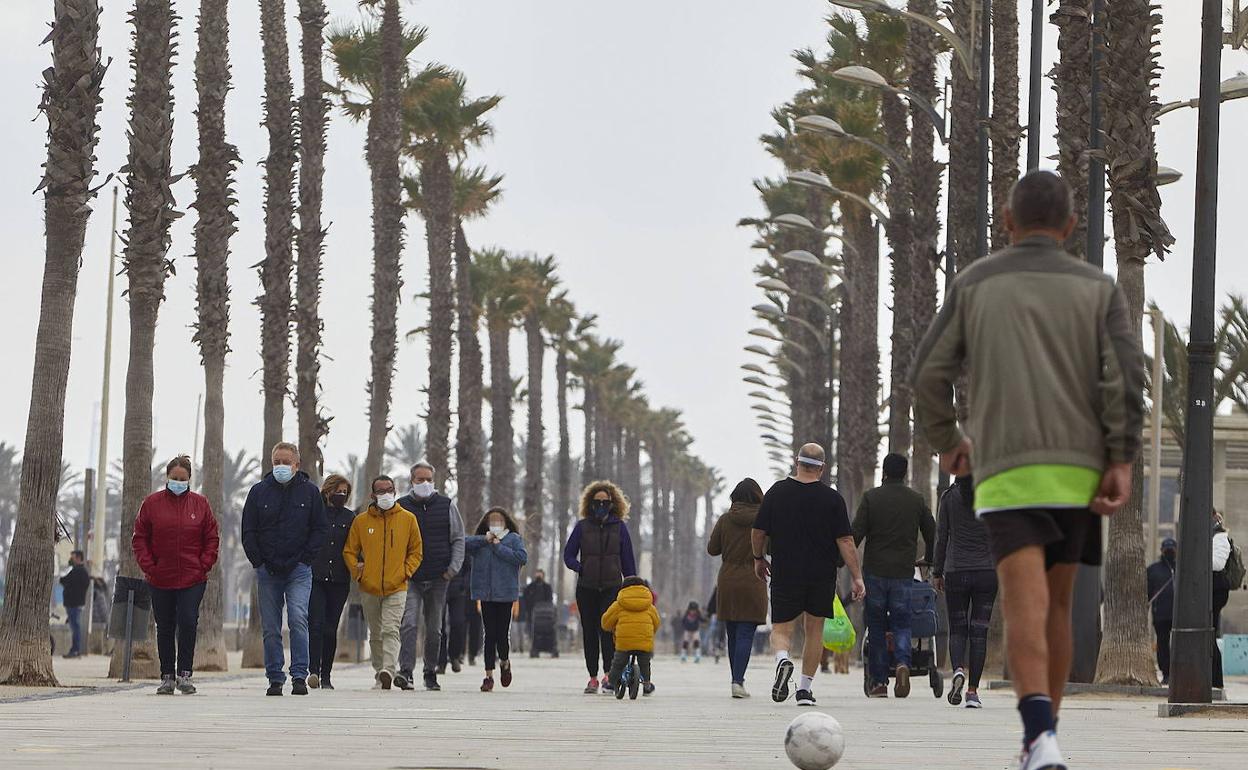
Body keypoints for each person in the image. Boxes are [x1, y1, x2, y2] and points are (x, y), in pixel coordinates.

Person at [912, 170, 1144, 769]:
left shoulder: (975, 284)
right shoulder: (1099, 290)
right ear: (1069, 228)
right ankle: (1045, 736)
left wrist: (949, 440)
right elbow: (1126, 377)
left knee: (1022, 605)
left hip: (1007, 471)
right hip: (1077, 473)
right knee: (1059, 607)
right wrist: (1119, 457)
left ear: (1007, 223)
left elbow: (929, 373)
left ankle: (1039, 738)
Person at [752, 443, 866, 708]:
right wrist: (857, 577)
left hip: (786, 571)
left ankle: (783, 660)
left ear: (797, 462)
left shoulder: (777, 493)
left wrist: (759, 558)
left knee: (782, 629)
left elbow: (758, 531)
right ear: (822, 468)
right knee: (814, 631)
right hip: (821, 574)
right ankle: (804, 690)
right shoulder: (833, 499)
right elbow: (846, 541)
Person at [241, 441, 329, 696]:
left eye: (285, 462)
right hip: (268, 571)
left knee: (298, 619)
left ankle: (299, 675)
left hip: (298, 570)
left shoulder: (310, 493)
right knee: (270, 626)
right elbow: (249, 530)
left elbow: (319, 529)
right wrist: (258, 562)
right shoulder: (258, 492)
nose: (281, 466)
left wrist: (305, 559)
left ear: (296, 464)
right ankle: (275, 678)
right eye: (276, 462)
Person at [132, 455, 220, 695]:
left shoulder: (201, 505)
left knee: (188, 621)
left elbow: (211, 537)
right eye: (174, 478)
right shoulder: (151, 504)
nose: (179, 482)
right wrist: (150, 566)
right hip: (160, 577)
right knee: (165, 626)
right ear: (167, 478)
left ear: (190, 479)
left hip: (193, 578)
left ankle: (185, 674)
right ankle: (167, 676)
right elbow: (140, 538)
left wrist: (204, 564)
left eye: (183, 479)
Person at [852, 453, 936, 699]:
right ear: (905, 473)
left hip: (875, 572)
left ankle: (879, 682)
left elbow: (856, 533)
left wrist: (842, 560)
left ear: (884, 473)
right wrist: (929, 558)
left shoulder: (871, 498)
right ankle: (902, 664)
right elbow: (932, 533)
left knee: (877, 626)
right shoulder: (916, 500)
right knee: (902, 623)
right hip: (903, 573)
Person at [343, 475, 423, 691]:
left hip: (397, 586)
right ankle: (380, 673)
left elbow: (416, 551)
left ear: (395, 491)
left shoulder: (408, 519)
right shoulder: (361, 521)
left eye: (389, 490)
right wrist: (358, 572)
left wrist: (406, 571)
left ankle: (389, 668)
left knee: (391, 628)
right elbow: (350, 551)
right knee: (376, 632)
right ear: (372, 495)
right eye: (381, 491)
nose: (385, 494)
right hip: (369, 587)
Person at [397, 462, 465, 692]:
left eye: (428, 479)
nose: (424, 483)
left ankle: (430, 672)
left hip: (439, 577)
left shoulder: (446, 505)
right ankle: (405, 671)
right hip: (411, 578)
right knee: (408, 624)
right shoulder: (401, 506)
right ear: (411, 481)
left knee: (435, 628)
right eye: (419, 479)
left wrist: (452, 569)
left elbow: (458, 539)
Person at [564, 480, 637, 694]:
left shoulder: (620, 528)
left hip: (612, 587)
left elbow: (628, 560)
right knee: (589, 632)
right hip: (586, 588)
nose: (601, 505)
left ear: (613, 503)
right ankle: (592, 677)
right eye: (597, 501)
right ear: (590, 503)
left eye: (605, 501)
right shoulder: (582, 527)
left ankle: (609, 675)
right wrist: (580, 567)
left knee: (608, 631)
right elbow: (568, 554)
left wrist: (632, 585)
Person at [933, 474, 998, 708]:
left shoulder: (949, 497)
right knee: (979, 632)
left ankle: (958, 668)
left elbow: (942, 538)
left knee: (958, 629)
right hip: (987, 572)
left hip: (956, 571)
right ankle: (972, 692)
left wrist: (937, 572)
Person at [708, 478, 769, 699]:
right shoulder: (764, 520)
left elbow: (712, 549)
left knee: (732, 633)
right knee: (746, 633)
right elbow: (771, 547)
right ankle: (738, 681)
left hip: (728, 580)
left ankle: (736, 680)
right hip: (753, 579)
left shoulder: (725, 519)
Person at [465, 507, 528, 692]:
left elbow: (521, 558)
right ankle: (488, 675)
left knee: (502, 634)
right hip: (485, 594)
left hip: (506, 594)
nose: (495, 524)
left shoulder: (513, 539)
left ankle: (505, 662)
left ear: (506, 522)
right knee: (489, 634)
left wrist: (498, 547)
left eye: (499, 520)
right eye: (491, 520)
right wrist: (484, 540)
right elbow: (464, 544)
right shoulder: (481, 541)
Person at [308, 474, 355, 690]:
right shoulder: (315, 514)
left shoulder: (350, 518)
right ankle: (313, 671)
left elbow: (356, 546)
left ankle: (326, 674)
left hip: (339, 579)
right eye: (338, 491)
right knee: (315, 625)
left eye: (345, 493)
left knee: (330, 628)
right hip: (316, 577)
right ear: (328, 491)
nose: (341, 495)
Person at [602, 576, 661, 696]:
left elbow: (605, 622)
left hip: (624, 643)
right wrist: (649, 633)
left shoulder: (618, 604)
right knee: (645, 663)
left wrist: (611, 629)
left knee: (618, 663)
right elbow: (656, 623)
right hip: (644, 641)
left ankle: (610, 685)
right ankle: (647, 685)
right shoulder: (649, 606)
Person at [1145, 537, 1177, 685]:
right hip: (1161, 615)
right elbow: (1147, 592)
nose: (1169, 552)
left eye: (1172, 549)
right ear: (1162, 551)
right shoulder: (1153, 570)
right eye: (1167, 549)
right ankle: (1166, 673)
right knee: (1162, 645)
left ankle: (1177, 673)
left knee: (1178, 645)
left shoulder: (1182, 568)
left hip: (1179, 615)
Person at [1212, 511, 1236, 689]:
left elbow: (1218, 564)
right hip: (1209, 590)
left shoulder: (1220, 537)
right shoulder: (1211, 536)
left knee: (1210, 634)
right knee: (1209, 635)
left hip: (1216, 591)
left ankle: (1216, 680)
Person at [58, 550, 90, 659]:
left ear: (78, 558)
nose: (71, 560)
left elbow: (64, 580)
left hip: (73, 604)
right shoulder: (81, 571)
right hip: (76, 603)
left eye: (73, 558)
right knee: (75, 626)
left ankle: (75, 650)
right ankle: (75, 649)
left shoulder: (77, 571)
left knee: (75, 627)